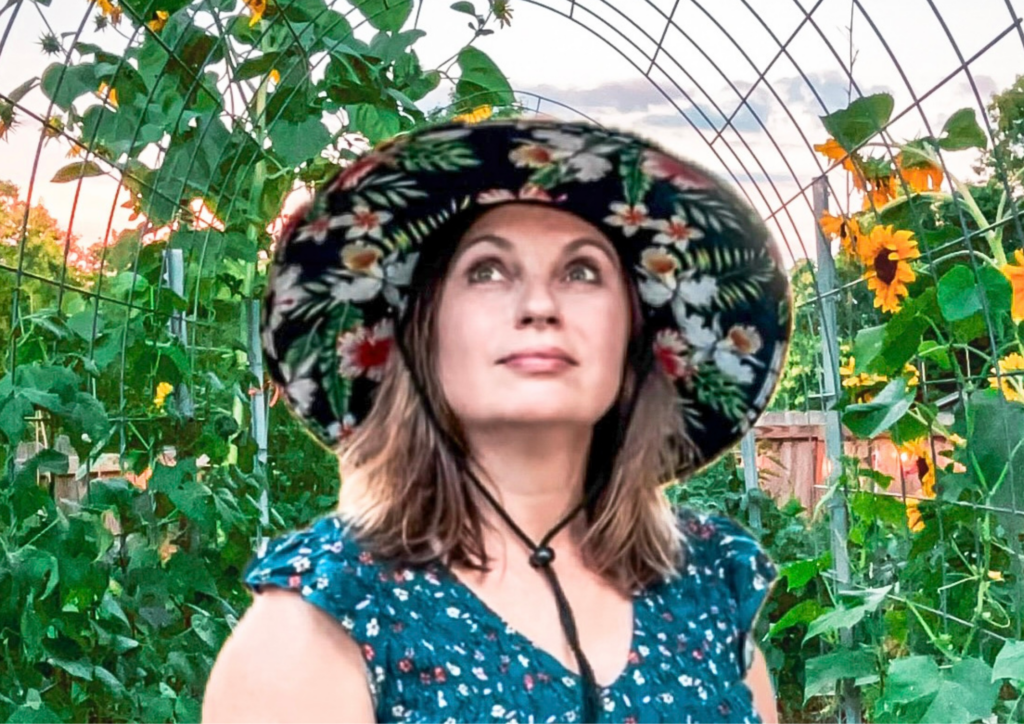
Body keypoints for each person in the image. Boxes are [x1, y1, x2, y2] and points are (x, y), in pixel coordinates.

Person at [202, 119, 792, 723]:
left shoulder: (708, 593)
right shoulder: (324, 622)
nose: (539, 305)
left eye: (582, 272)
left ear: (637, 339)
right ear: (420, 333)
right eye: (486, 271)